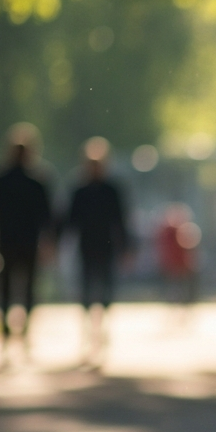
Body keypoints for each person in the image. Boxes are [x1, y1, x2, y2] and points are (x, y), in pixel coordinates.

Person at [0, 123, 53, 354]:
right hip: (21, 242)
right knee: (23, 287)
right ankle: (18, 330)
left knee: (10, 287)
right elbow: (47, 216)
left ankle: (10, 331)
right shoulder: (36, 179)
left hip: (12, 241)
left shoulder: (2, 179)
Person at [61, 137, 133, 365]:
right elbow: (69, 220)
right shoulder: (79, 191)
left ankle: (102, 331)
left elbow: (121, 221)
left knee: (106, 289)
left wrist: (125, 248)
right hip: (86, 247)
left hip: (106, 247)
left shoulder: (112, 190)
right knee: (85, 289)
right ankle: (87, 333)